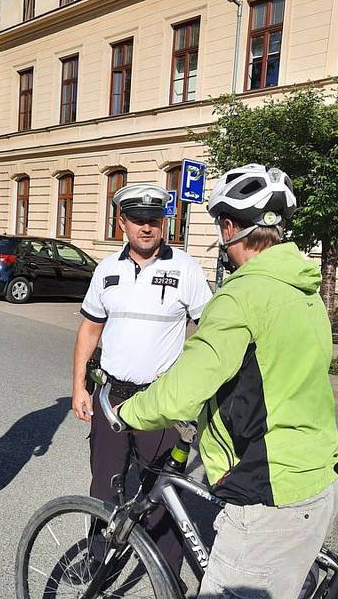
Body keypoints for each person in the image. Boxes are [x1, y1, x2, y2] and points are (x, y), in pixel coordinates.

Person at [117, 164, 338, 599]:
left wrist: (128, 412)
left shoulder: (241, 294)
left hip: (270, 488)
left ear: (229, 227)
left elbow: (185, 389)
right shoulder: (305, 291)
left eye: (222, 227)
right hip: (317, 475)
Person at [72, 182, 213, 584]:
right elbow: (88, 330)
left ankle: (166, 574)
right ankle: (98, 559)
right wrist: (78, 386)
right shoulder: (106, 269)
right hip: (111, 398)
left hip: (161, 401)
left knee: (162, 492)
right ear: (122, 222)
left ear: (164, 223)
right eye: (138, 220)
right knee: (104, 485)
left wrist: (191, 379)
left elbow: (212, 328)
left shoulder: (185, 268)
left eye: (154, 220)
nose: (147, 228)